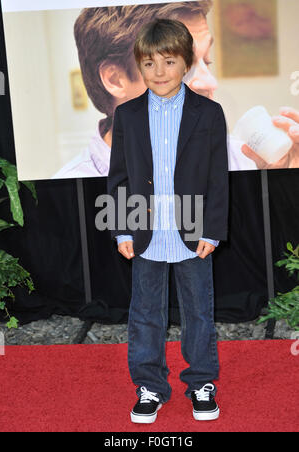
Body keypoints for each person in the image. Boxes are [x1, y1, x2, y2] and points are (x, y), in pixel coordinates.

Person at [107, 18, 229, 424]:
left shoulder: (208, 113)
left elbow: (217, 178)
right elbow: (120, 175)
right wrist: (122, 226)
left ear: (187, 62)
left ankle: (200, 382)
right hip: (145, 232)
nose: (159, 72)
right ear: (138, 67)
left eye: (169, 61)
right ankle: (149, 386)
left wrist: (212, 229)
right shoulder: (126, 115)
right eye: (149, 63)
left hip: (193, 231)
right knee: (145, 312)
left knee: (198, 311)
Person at [51, 2, 299, 179]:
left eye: (207, 61)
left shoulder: (245, 162)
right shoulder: (65, 196)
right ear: (116, 79)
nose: (210, 83)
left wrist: (282, 190)